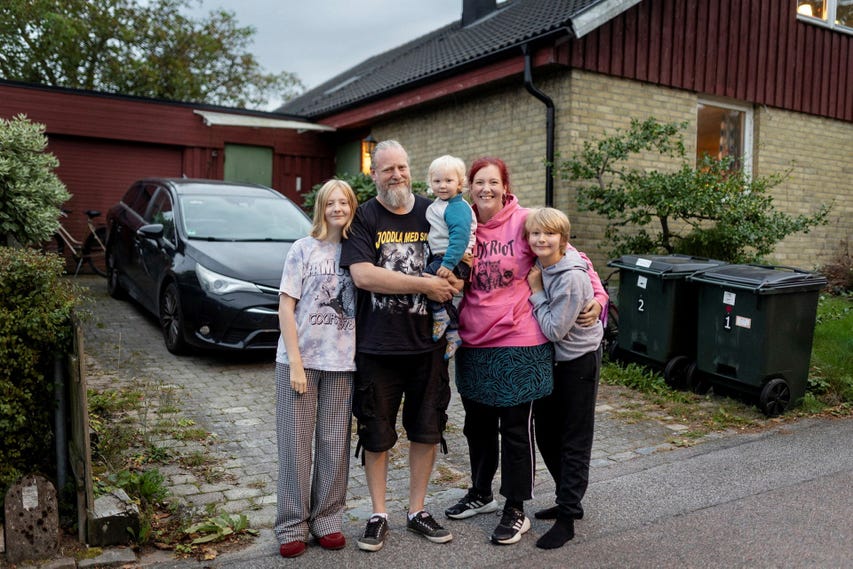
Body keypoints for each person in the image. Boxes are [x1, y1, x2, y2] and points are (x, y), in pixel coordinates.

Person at [444, 157, 607, 546]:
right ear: (469, 187)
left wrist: (599, 299)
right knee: (477, 427)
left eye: (493, 182)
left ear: (505, 186)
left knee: (516, 430)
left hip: (520, 339)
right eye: (478, 182)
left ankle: (516, 508)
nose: (486, 189)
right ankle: (481, 493)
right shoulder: (459, 223)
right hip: (473, 339)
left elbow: (576, 257)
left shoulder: (525, 220)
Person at [340, 140, 460, 552]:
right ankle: (378, 514)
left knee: (427, 430)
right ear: (373, 175)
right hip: (376, 348)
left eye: (403, 168)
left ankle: (417, 510)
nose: (397, 175)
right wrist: (427, 284)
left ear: (412, 171)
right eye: (387, 169)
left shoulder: (434, 211)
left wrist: (456, 277)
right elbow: (364, 277)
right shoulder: (363, 219)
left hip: (428, 347)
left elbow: (458, 255)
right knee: (375, 433)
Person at [274, 179, 359, 558]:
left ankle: (327, 520)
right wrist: (295, 362)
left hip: (342, 365)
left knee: (333, 444)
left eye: (344, 202)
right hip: (300, 362)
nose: (337, 208)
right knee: (295, 445)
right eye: (331, 203)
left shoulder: (358, 251)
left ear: (352, 208)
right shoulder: (303, 249)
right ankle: (292, 524)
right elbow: (286, 307)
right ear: (321, 208)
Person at [525, 207, 604, 549]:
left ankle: (568, 517)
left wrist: (537, 291)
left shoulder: (568, 274)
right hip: (554, 362)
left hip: (578, 361)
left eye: (549, 234)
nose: (541, 239)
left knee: (574, 438)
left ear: (563, 239)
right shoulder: (550, 260)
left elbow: (556, 329)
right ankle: (566, 497)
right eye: (535, 234)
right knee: (545, 433)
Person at [424, 154, 477, 360]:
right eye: (437, 181)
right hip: (444, 257)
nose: (442, 185)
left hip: (455, 258)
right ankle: (453, 333)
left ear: (460, 183)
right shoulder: (439, 205)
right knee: (442, 295)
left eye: (448, 181)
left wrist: (448, 263)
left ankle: (441, 317)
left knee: (426, 279)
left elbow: (460, 238)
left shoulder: (456, 207)